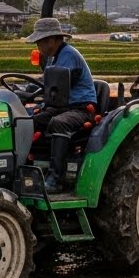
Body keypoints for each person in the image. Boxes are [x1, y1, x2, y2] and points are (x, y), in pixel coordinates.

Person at [25, 17, 98, 193]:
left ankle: (56, 178)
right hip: (61, 107)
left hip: (80, 108)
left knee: (59, 122)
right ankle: (26, 170)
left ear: (52, 39)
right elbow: (46, 82)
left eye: (39, 42)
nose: (38, 47)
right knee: (26, 121)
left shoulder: (68, 55)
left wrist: (40, 90)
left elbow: (56, 86)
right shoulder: (53, 58)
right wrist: (24, 88)